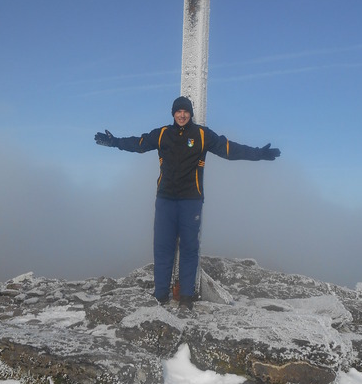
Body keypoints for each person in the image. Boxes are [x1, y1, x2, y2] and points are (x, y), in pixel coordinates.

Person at [95, 96, 280, 309]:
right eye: (178, 111)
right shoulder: (163, 134)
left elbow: (229, 149)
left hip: (191, 200)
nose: (182, 115)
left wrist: (259, 154)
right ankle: (161, 294)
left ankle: (186, 296)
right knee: (162, 247)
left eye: (185, 111)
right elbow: (139, 143)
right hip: (165, 199)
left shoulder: (202, 134)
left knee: (189, 248)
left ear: (190, 113)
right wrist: (115, 142)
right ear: (173, 114)